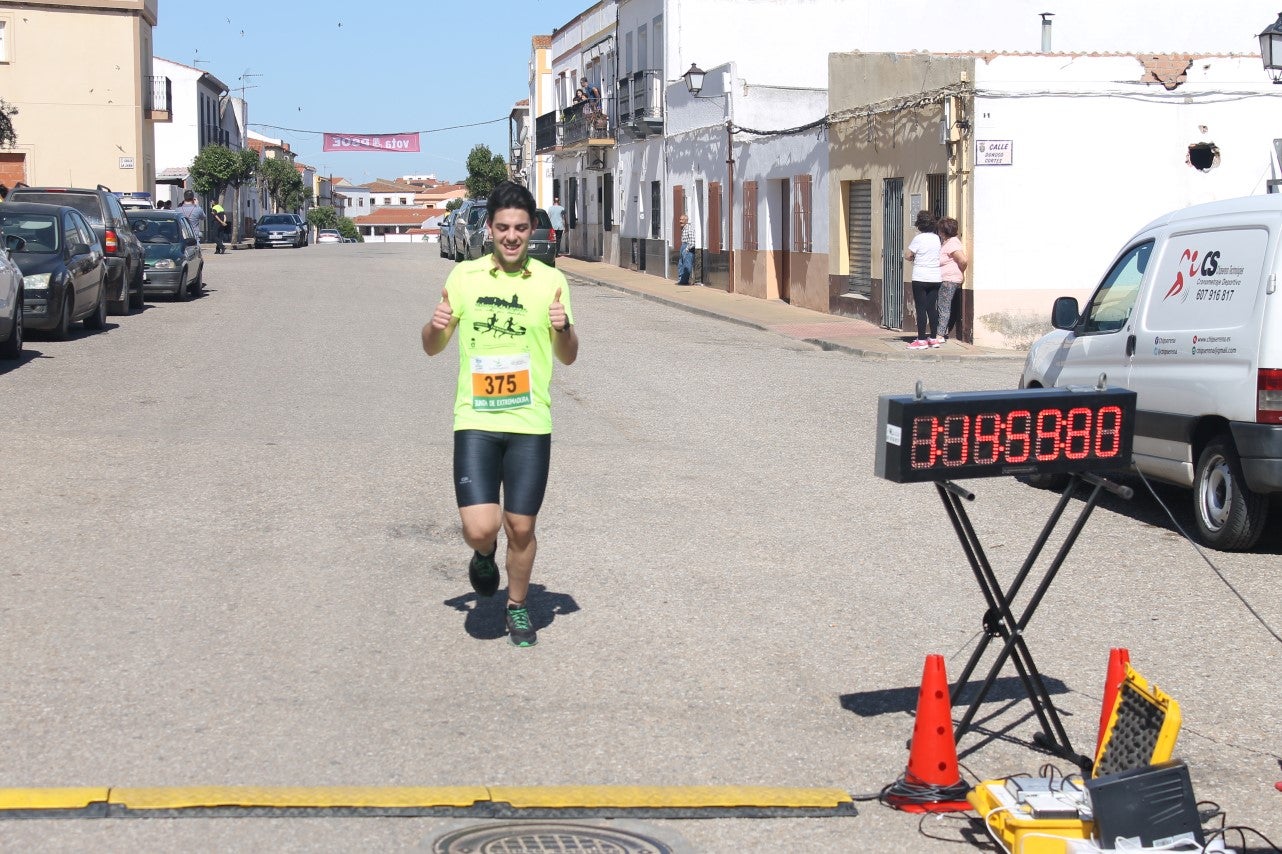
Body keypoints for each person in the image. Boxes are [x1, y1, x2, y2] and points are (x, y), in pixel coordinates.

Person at [421, 181, 578, 648]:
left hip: (530, 422)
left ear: (532, 232)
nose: (512, 236)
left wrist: (564, 327)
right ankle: (484, 553)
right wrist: (434, 327)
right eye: (504, 227)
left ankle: (517, 605)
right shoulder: (464, 278)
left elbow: (568, 355)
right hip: (476, 420)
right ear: (489, 229)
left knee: (523, 525)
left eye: (521, 229)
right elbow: (431, 348)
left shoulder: (551, 280)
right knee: (480, 527)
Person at [903, 210, 942, 349]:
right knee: (932, 308)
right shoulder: (937, 238)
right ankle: (933, 338)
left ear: (919, 224)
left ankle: (920, 340)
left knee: (921, 308)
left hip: (920, 277)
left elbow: (908, 255)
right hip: (936, 277)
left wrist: (911, 257)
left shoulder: (918, 238)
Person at [935, 217, 968, 345]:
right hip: (946, 278)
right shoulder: (947, 242)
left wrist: (960, 271)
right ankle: (940, 332)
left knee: (944, 306)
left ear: (944, 231)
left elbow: (963, 260)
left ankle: (940, 334)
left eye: (940, 230)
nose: (939, 232)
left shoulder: (953, 243)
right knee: (943, 306)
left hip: (950, 279)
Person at [676, 213, 695, 285]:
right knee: (681, 264)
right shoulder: (684, 229)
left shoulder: (689, 228)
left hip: (687, 248)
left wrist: (686, 249)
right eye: (680, 219)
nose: (680, 221)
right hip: (683, 246)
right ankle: (681, 279)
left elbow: (692, 241)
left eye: (682, 220)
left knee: (686, 265)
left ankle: (684, 281)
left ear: (686, 220)